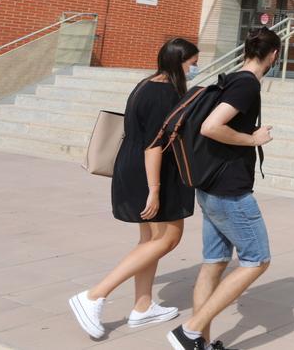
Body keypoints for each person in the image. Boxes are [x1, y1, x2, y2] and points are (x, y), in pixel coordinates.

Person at [69, 39, 200, 340]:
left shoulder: (146, 84)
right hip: (152, 172)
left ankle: (143, 306)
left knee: (150, 239)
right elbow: (154, 145)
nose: (195, 68)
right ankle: (94, 296)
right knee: (168, 237)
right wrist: (154, 190)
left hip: (133, 165)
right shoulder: (164, 94)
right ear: (179, 62)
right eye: (193, 63)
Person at [166, 27, 279, 350]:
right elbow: (211, 126)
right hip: (230, 190)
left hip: (210, 186)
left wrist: (246, 132)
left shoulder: (232, 77)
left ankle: (198, 341)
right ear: (273, 55)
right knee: (257, 260)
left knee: (214, 262)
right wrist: (252, 139)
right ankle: (189, 331)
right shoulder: (246, 85)